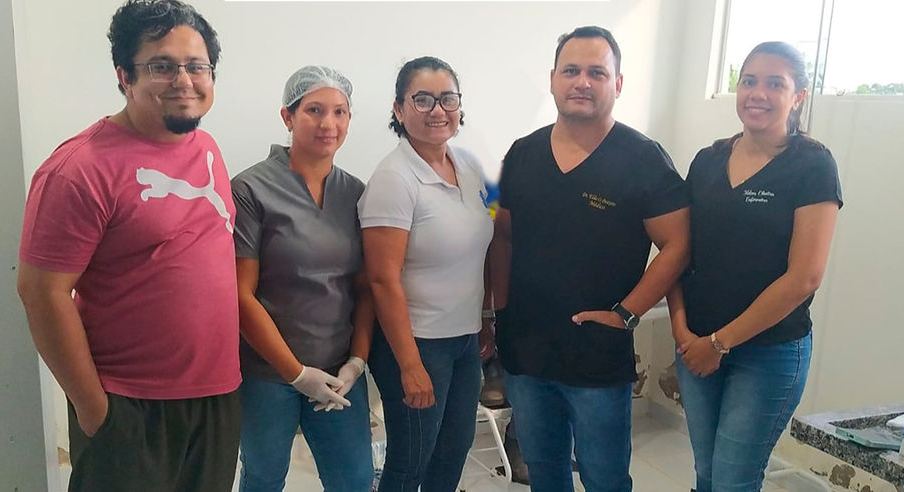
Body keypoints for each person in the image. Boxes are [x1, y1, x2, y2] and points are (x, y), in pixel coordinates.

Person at [15, 1, 240, 490]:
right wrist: (95, 411)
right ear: (125, 76)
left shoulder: (206, 148)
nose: (184, 80)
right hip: (129, 404)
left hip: (216, 398)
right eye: (161, 66)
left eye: (197, 66)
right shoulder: (78, 170)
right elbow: (41, 292)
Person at [489, 26, 690, 492]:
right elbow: (502, 237)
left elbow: (678, 244)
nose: (582, 82)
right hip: (526, 349)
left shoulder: (644, 158)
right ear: (553, 79)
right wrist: (497, 312)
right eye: (571, 71)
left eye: (597, 73)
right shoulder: (521, 154)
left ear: (617, 83)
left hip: (597, 354)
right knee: (543, 472)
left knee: (605, 478)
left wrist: (626, 313)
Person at [670, 41, 842, 492]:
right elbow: (679, 251)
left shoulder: (812, 165)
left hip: (768, 352)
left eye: (774, 84)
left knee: (733, 481)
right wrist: (682, 329)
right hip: (696, 345)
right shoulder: (707, 161)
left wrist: (719, 343)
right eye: (749, 81)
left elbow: (805, 277)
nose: (758, 93)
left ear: (798, 96)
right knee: (707, 474)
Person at [231, 65, 375, 492]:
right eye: (314, 110)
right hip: (267, 373)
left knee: (354, 480)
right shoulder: (251, 189)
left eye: (339, 111)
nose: (328, 123)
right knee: (263, 477)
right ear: (288, 116)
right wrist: (295, 374)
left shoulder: (356, 193)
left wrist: (357, 361)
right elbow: (240, 295)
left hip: (338, 370)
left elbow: (363, 288)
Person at [359, 56, 495, 492]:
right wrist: (410, 365)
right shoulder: (394, 179)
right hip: (416, 341)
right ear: (399, 110)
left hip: (463, 338)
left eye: (447, 99)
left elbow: (493, 235)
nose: (437, 110)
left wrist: (486, 318)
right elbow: (382, 279)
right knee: (412, 458)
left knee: (454, 448)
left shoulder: (469, 166)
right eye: (422, 100)